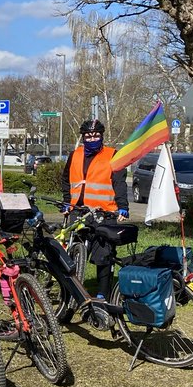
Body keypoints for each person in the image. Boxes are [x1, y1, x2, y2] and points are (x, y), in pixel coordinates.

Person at [58, 118, 130, 297]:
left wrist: (123, 206)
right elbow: (66, 180)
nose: (92, 139)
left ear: (101, 136)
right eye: (88, 136)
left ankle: (102, 294)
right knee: (72, 253)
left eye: (96, 136)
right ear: (83, 137)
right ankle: (70, 292)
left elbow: (119, 182)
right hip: (78, 211)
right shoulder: (75, 155)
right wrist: (67, 201)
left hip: (104, 212)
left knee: (104, 254)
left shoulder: (112, 155)